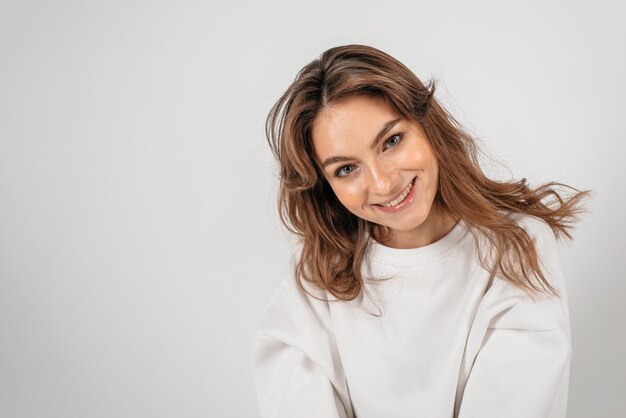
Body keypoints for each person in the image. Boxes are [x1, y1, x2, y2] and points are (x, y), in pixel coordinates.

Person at [251, 44, 590, 418]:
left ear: (427, 126)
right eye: (346, 169)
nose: (382, 184)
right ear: (324, 185)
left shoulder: (515, 248)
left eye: (391, 141)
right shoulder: (317, 271)